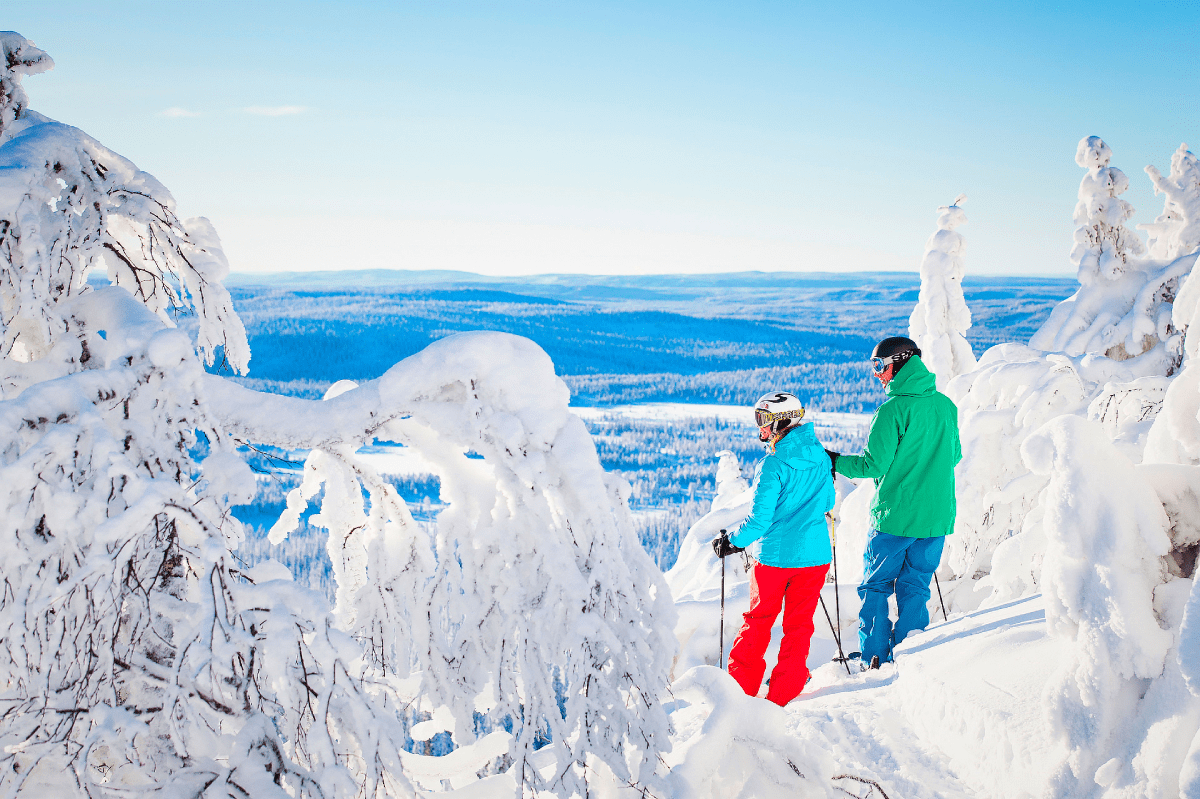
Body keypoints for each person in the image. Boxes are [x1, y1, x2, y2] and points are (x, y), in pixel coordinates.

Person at [825, 336, 961, 669]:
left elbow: (873, 466)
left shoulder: (893, 410)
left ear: (898, 363)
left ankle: (874, 656)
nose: (877, 374)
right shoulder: (945, 405)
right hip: (935, 519)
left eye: (880, 366)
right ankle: (910, 654)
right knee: (916, 584)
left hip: (895, 518)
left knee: (876, 586)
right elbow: (954, 456)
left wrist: (835, 460)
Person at [711, 391, 836, 705]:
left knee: (758, 621)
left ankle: (740, 691)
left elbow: (759, 521)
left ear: (783, 421)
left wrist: (732, 542)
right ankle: (784, 693)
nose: (760, 427)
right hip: (815, 557)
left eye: (764, 419)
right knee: (799, 625)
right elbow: (829, 502)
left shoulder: (773, 464)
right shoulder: (820, 455)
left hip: (776, 560)